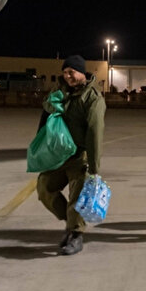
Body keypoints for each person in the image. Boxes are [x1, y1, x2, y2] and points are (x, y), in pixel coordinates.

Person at [36, 55, 106, 256]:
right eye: (65, 72)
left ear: (82, 72)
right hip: (58, 155)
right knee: (44, 188)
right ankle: (71, 221)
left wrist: (94, 167)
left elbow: (95, 133)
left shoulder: (93, 98)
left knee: (77, 197)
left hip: (79, 155)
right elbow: (46, 110)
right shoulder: (59, 91)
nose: (67, 76)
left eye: (71, 72)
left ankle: (76, 235)